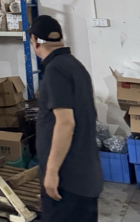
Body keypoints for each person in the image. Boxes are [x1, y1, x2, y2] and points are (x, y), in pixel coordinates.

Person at [28, 15, 102, 222]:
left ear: (35, 41)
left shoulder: (55, 70)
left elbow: (66, 122)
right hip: (85, 177)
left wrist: (51, 172)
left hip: (67, 180)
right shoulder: (75, 66)